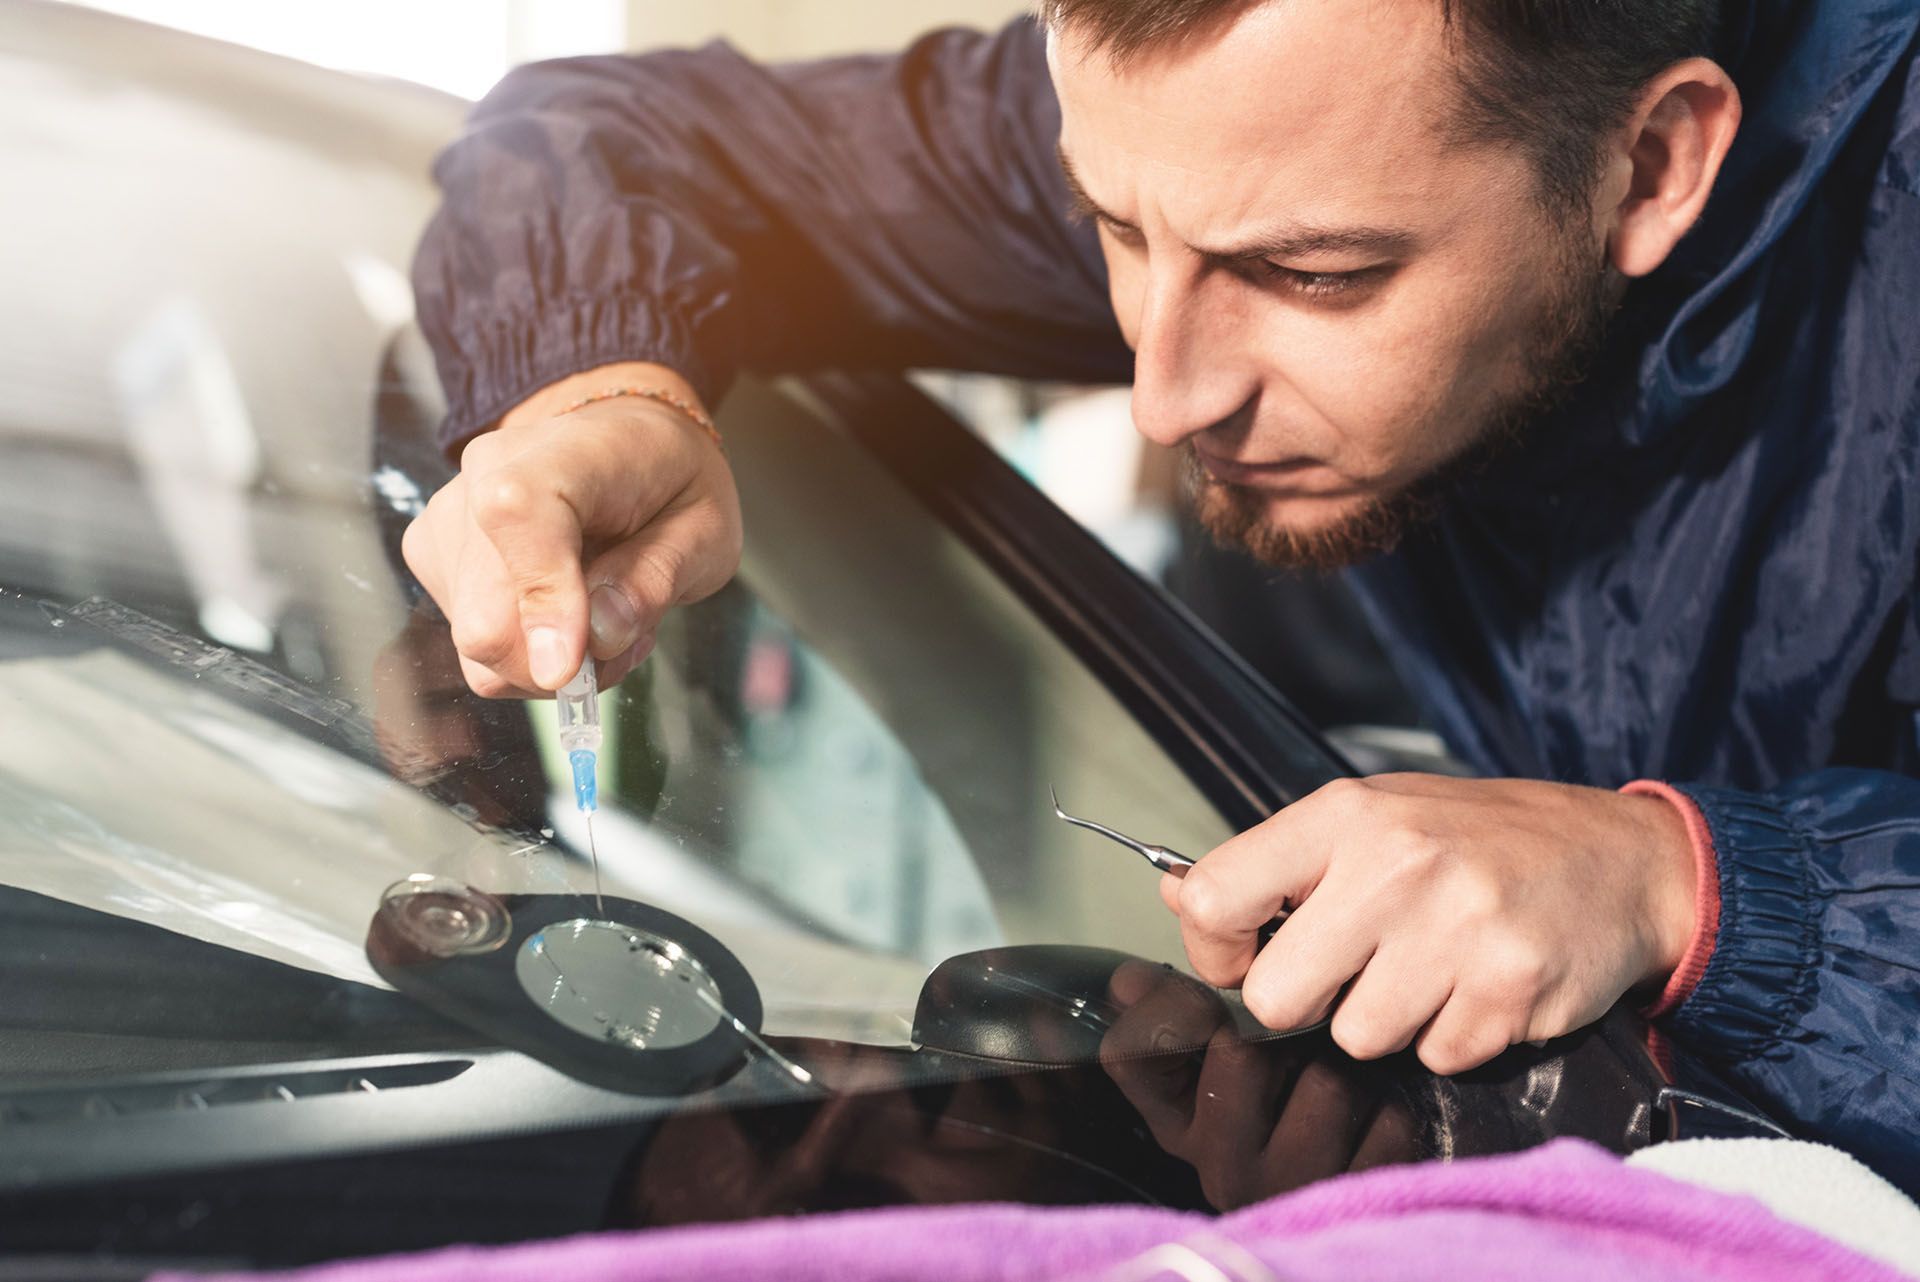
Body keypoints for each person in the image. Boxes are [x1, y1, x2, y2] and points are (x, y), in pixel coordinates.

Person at [401, 0, 1920, 1190]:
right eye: (1115, 231)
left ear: (1651, 164)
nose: (1163, 392)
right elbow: (606, 129)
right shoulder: (1255, 121)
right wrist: (594, 385)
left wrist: (1683, 884)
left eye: (1317, 277)